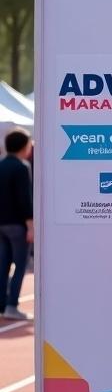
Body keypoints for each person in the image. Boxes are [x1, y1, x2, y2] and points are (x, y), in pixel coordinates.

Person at [0, 128, 34, 321]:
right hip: (17, 224)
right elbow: (24, 199)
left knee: (2, 264)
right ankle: (12, 305)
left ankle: (2, 304)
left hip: (1, 223)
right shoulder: (22, 167)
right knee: (20, 264)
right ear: (24, 146)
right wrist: (30, 226)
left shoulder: (1, 164)